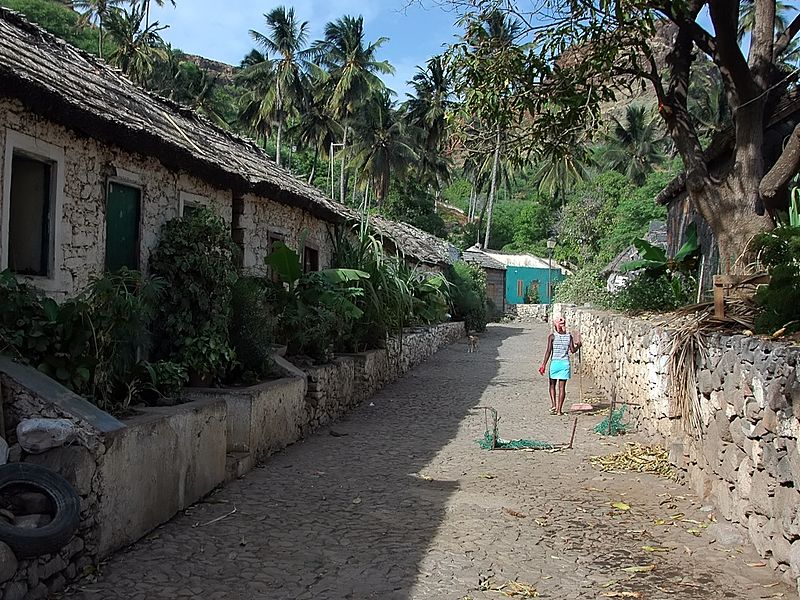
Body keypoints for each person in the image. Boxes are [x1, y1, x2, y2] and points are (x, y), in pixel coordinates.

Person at [538, 316, 582, 415]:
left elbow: (548, 351)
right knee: (562, 388)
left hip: (555, 363)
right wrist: (578, 346)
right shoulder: (569, 336)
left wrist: (543, 365)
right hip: (565, 364)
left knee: (552, 385)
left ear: (554, 325)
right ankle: (559, 410)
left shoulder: (552, 336)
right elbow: (572, 350)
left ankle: (553, 404)